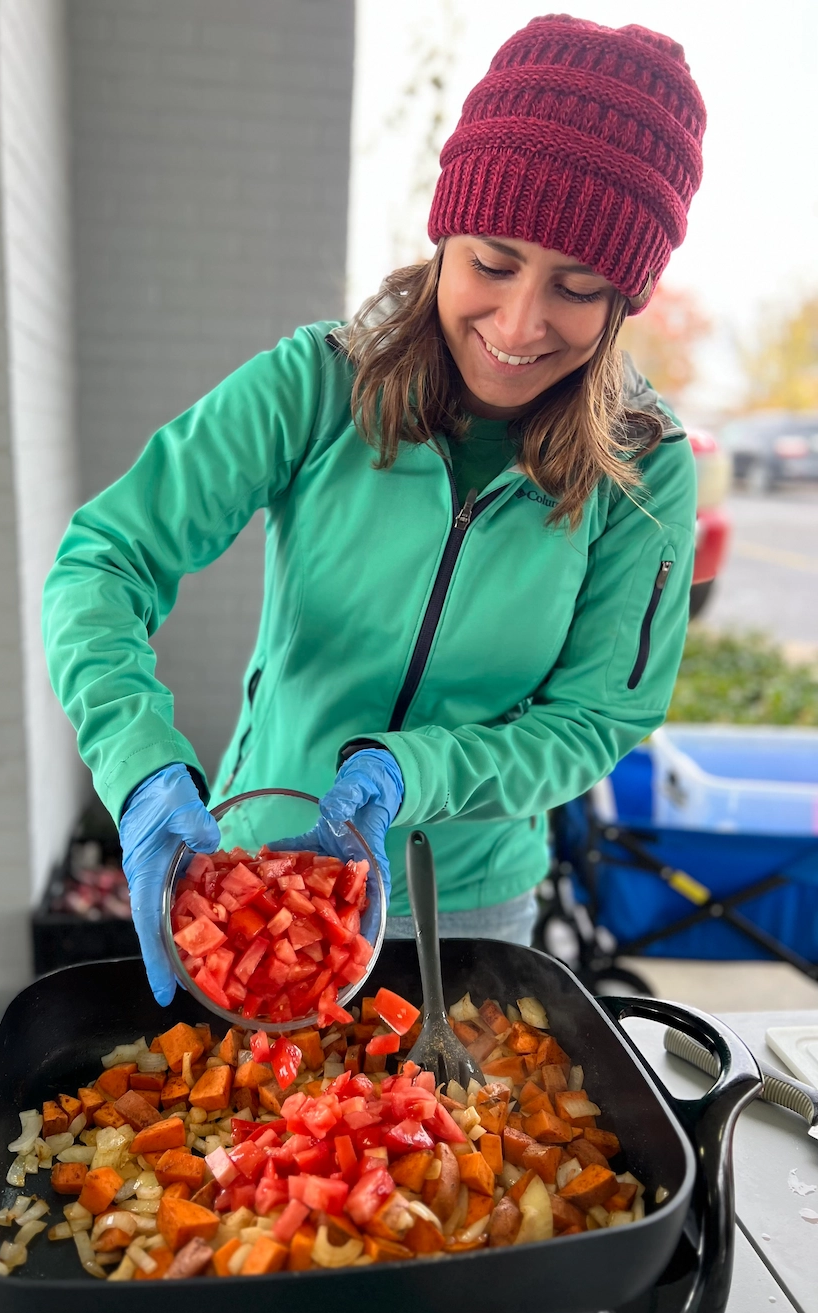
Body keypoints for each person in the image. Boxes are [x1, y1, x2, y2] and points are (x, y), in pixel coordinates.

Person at [43, 14, 706, 1004]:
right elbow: (105, 559)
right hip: (266, 859)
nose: (519, 325)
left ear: (623, 302)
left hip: (471, 903)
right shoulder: (314, 385)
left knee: (453, 1154)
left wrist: (413, 773)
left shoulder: (642, 468)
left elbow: (594, 718)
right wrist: (139, 765)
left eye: (575, 287)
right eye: (491, 261)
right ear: (445, 234)